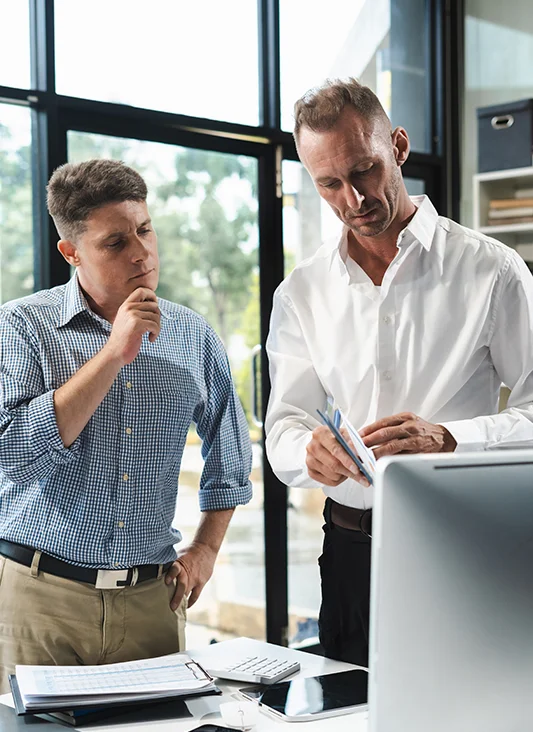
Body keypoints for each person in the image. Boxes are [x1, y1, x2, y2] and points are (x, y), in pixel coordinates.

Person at [265, 78, 533, 668]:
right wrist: (305, 453)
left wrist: (454, 438)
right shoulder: (302, 292)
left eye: (364, 170)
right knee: (351, 727)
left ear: (400, 147)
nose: (353, 199)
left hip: (462, 542)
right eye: (329, 184)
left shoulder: (493, 272)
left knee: (469, 728)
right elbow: (284, 424)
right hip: (349, 550)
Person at [0, 159, 252, 692]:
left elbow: (230, 456)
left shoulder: (193, 335)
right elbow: (12, 453)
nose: (141, 253)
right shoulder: (22, 327)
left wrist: (206, 548)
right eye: (115, 243)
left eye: (144, 230)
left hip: (150, 604)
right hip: (40, 600)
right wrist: (115, 352)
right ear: (72, 253)